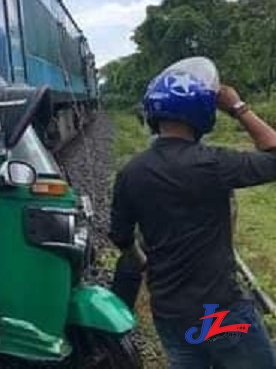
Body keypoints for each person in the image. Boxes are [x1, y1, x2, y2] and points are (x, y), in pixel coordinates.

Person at [109, 57, 276, 369]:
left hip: (171, 314)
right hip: (221, 314)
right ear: (202, 113)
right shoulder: (214, 164)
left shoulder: (131, 172)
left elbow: (120, 237)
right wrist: (238, 106)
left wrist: (143, 260)